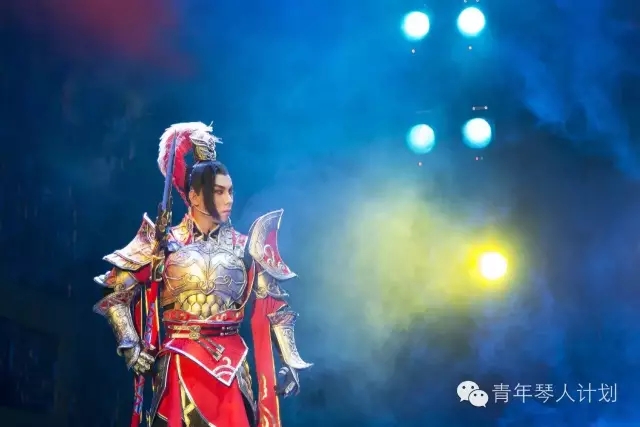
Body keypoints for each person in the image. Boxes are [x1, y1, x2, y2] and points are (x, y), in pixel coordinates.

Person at [92, 122, 312, 427]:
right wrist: (130, 345)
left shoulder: (246, 246)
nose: (229, 199)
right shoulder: (164, 242)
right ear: (194, 196)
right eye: (219, 192)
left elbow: (274, 307)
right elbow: (115, 290)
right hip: (179, 362)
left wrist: (290, 360)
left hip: (232, 368)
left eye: (231, 191)